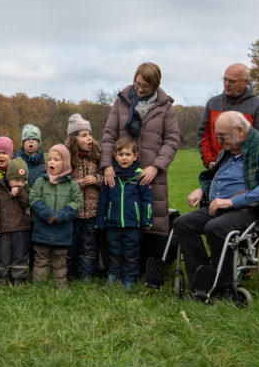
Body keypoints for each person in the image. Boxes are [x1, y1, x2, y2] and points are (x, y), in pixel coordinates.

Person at [173, 111, 259, 301]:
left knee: (215, 228)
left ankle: (222, 289)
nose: (219, 141)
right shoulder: (230, 150)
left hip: (252, 208)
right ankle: (203, 282)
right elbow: (221, 178)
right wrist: (202, 191)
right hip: (220, 206)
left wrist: (232, 201)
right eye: (217, 136)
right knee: (182, 223)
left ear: (240, 130)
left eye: (222, 136)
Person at [100, 62, 180, 241]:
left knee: (150, 220)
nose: (140, 89)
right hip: (121, 172)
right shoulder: (121, 101)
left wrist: (156, 166)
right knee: (120, 218)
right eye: (137, 84)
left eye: (145, 85)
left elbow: (172, 140)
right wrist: (106, 165)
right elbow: (108, 135)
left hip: (150, 173)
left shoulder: (165, 107)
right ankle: (117, 264)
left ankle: (150, 266)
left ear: (155, 84)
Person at [99, 136, 153, 289]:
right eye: (121, 154)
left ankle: (130, 277)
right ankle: (114, 275)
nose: (124, 158)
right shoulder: (111, 176)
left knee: (131, 251)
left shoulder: (140, 176)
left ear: (135, 156)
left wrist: (147, 220)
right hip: (113, 223)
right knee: (114, 250)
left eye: (128, 154)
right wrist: (100, 222)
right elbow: (103, 201)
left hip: (132, 224)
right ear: (115, 156)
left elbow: (147, 201)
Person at [197, 63, 259, 169]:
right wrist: (209, 161)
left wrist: (249, 166)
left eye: (232, 81)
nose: (227, 84)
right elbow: (203, 135)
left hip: (245, 170)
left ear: (245, 82)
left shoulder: (258, 105)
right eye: (225, 79)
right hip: (216, 168)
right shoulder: (213, 103)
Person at [30, 144, 83, 288]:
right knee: (40, 260)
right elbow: (34, 198)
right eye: (50, 159)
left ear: (65, 163)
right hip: (42, 230)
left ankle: (61, 286)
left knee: (60, 261)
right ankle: (38, 286)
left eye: (56, 159)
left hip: (62, 232)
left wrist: (61, 215)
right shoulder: (41, 181)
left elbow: (77, 202)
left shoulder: (72, 184)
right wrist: (47, 214)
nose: (51, 162)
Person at [65, 114, 102, 281]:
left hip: (92, 213)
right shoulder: (67, 159)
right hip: (73, 212)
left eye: (90, 134)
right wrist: (75, 184)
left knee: (89, 245)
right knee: (71, 245)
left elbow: (106, 177)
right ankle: (69, 274)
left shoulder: (96, 156)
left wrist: (96, 180)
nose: (89, 138)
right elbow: (58, 180)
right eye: (84, 135)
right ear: (74, 139)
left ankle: (86, 275)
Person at [0, 157, 32, 284]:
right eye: (16, 180)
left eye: (23, 181)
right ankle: (2, 278)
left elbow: (28, 203)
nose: (19, 183)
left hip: (21, 229)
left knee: (20, 255)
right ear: (8, 178)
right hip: (3, 229)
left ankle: (19, 278)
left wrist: (20, 192)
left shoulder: (26, 190)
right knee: (2, 255)